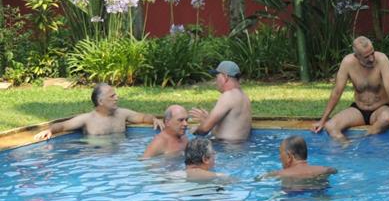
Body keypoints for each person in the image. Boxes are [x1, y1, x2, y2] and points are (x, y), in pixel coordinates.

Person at [311, 36, 389, 140]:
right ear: (356, 56)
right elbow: (337, 92)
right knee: (330, 126)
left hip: (381, 109)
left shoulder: (382, 60)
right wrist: (322, 121)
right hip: (359, 110)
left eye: (372, 53)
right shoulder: (348, 63)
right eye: (366, 57)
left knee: (386, 118)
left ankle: (362, 140)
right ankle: (346, 145)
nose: (371, 58)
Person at [34, 83, 163, 141]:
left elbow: (142, 117)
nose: (117, 98)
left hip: (120, 159)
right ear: (100, 101)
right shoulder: (87, 119)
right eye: (112, 96)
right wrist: (50, 130)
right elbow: (63, 126)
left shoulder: (122, 114)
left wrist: (154, 119)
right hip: (97, 159)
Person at [189, 61, 251, 142]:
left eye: (217, 76)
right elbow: (229, 127)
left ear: (225, 77)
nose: (215, 81)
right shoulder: (244, 97)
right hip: (239, 146)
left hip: (225, 146)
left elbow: (204, 130)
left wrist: (194, 129)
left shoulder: (228, 96)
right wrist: (207, 119)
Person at [265, 135, 337, 179]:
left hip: (292, 197)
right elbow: (334, 171)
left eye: (281, 154)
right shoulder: (325, 170)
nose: (280, 158)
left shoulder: (279, 174)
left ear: (289, 156)